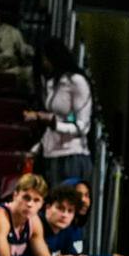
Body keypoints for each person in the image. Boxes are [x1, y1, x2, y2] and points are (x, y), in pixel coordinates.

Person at [30, 38, 92, 185]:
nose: (44, 64)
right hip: (50, 154)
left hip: (72, 155)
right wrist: (38, 147)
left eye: (45, 59)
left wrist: (55, 124)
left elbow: (83, 126)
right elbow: (54, 118)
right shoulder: (51, 83)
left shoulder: (77, 82)